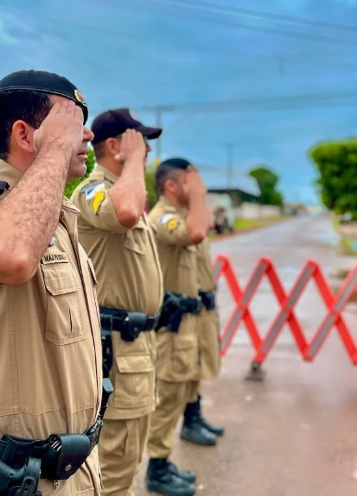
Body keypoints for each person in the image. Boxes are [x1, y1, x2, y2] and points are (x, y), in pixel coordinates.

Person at [0, 70, 107, 496]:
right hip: (15, 477)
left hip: (75, 467)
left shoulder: (62, 220)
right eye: (71, 123)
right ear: (24, 133)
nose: (86, 136)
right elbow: (10, 256)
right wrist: (54, 147)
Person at [68, 108, 165, 496]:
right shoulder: (94, 190)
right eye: (139, 142)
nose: (147, 151)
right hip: (117, 351)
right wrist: (136, 161)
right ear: (114, 145)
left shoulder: (124, 190)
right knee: (112, 468)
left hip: (137, 348)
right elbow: (124, 211)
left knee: (126, 460)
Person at [145, 158, 211, 496]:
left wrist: (196, 195)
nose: (199, 188)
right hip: (171, 328)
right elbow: (196, 232)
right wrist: (199, 195)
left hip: (186, 323)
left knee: (180, 391)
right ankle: (156, 468)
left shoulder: (180, 213)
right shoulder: (163, 217)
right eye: (190, 182)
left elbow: (204, 227)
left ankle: (163, 461)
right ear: (172, 186)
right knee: (167, 398)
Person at [180, 235, 225, 445]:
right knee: (182, 376)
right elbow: (197, 231)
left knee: (198, 367)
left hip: (201, 308)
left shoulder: (191, 220)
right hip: (186, 311)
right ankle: (188, 425)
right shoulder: (169, 220)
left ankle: (194, 417)